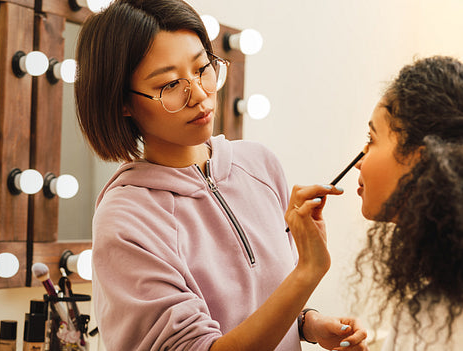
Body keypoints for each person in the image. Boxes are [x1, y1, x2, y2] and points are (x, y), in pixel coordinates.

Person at [74, 0, 368, 350]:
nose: (199, 95)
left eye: (202, 68)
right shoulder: (126, 218)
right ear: (121, 101)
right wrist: (308, 272)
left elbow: (257, 299)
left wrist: (307, 323)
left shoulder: (259, 165)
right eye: (170, 84)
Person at [287, 56, 463, 351]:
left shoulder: (441, 318)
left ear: (419, 161)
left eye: (371, 139)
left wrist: (309, 268)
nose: (359, 162)